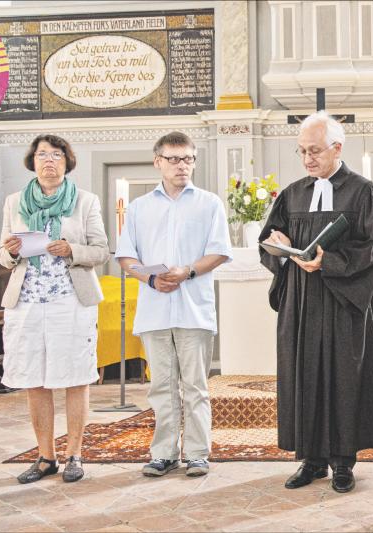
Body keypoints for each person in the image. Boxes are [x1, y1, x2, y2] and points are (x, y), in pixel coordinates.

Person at [259, 111, 373, 493]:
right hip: (299, 303)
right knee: (303, 376)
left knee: (343, 377)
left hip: (342, 302)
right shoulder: (293, 193)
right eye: (301, 151)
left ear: (337, 147)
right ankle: (311, 459)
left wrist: (328, 262)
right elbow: (269, 239)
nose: (307, 159)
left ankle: (344, 462)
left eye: (314, 151)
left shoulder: (363, 192)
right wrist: (279, 246)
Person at [116, 132, 233, 478]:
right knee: (162, 385)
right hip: (154, 307)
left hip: (193, 306)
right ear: (158, 162)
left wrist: (188, 271)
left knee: (195, 385)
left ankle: (197, 453)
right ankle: (163, 453)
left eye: (188, 159)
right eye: (174, 159)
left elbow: (220, 251)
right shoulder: (139, 207)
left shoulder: (209, 203)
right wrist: (150, 279)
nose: (182, 165)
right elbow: (126, 256)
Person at [0, 134, 110, 484]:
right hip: (27, 301)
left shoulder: (85, 201)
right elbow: (3, 255)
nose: (49, 160)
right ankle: (45, 456)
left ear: (67, 162)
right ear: (32, 162)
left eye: (57, 155)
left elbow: (102, 251)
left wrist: (72, 250)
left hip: (69, 300)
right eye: (42, 155)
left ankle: (74, 454)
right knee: (35, 379)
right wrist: (13, 251)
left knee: (75, 378)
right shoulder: (15, 202)